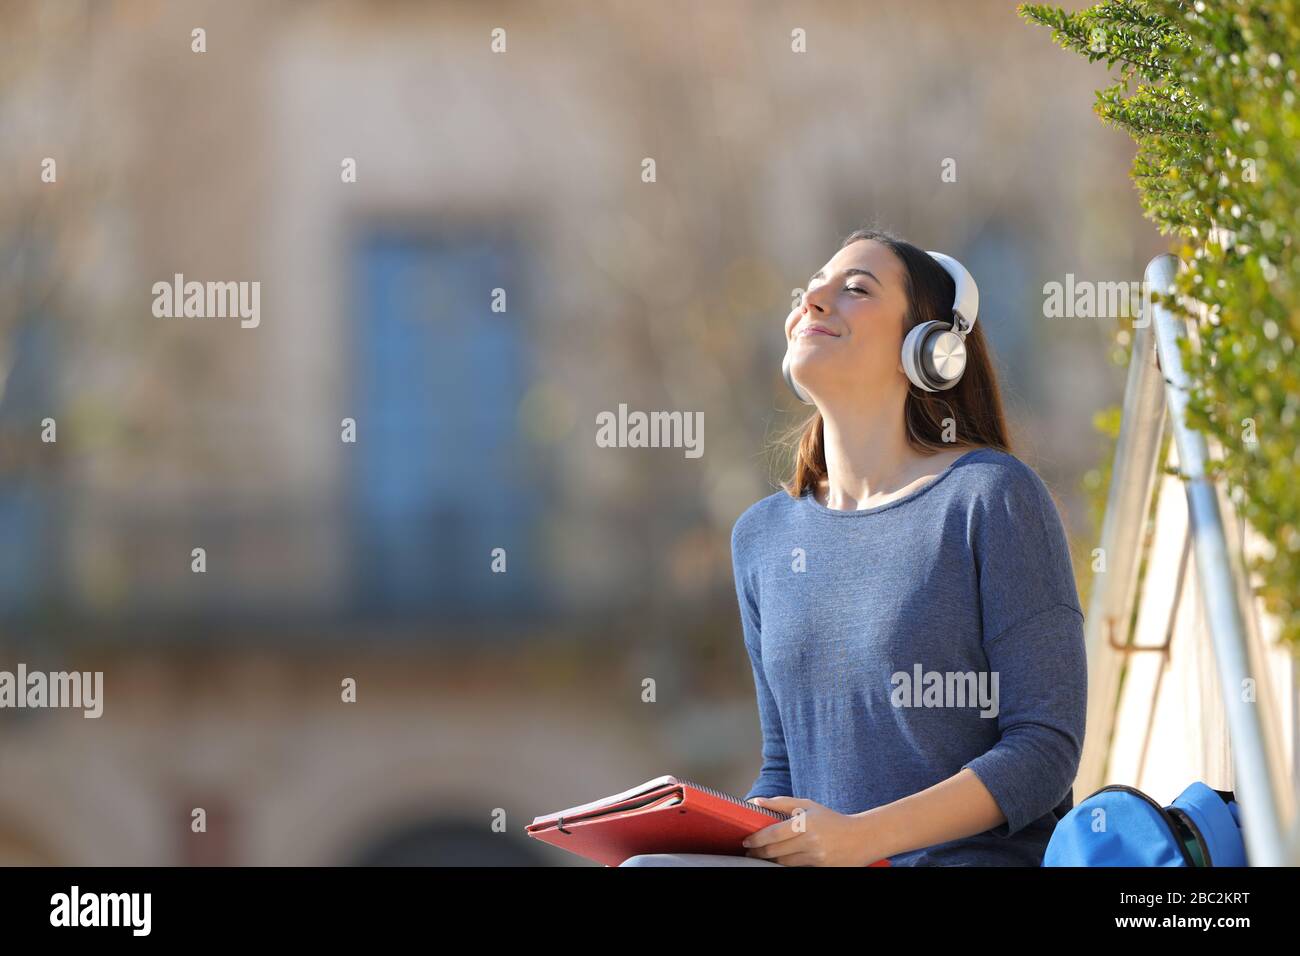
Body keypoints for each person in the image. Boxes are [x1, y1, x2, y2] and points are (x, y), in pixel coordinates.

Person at [620, 227, 1087, 867]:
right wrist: (725, 835)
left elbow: (1044, 750)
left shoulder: (991, 497)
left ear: (927, 348)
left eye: (856, 290)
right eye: (810, 289)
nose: (813, 300)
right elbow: (786, 770)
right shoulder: (761, 538)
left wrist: (862, 838)